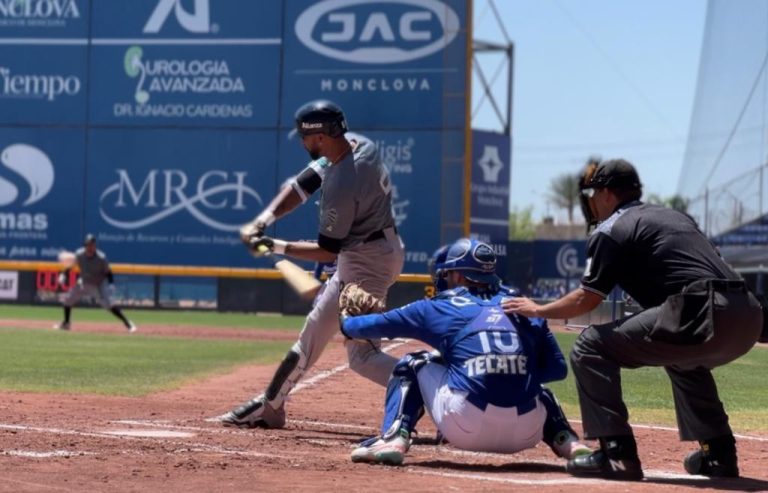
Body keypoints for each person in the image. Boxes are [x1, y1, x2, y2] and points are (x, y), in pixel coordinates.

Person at [503, 159, 763, 480]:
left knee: (589, 347)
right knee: (683, 358)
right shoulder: (673, 216)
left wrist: (538, 309)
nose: (592, 200)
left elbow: (588, 297)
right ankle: (720, 454)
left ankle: (617, 455)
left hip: (699, 310)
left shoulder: (611, 229)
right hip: (748, 313)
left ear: (608, 193)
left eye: (595, 192)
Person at [220, 99, 404, 428]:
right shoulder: (359, 145)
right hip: (371, 252)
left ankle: (432, 388)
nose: (303, 143)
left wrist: (275, 245)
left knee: (362, 357)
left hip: (367, 263)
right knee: (315, 329)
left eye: (305, 138)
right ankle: (271, 406)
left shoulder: (342, 182)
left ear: (318, 136)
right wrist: (262, 221)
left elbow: (327, 250)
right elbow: (302, 184)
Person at [341, 238, 590, 465]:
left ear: (458, 276)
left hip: (466, 426)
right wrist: (508, 369)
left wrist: (345, 319)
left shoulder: (439, 306)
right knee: (538, 388)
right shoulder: (524, 305)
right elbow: (557, 369)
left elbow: (360, 328)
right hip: (527, 432)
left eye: (448, 273)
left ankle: (394, 438)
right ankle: (569, 442)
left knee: (412, 363)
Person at [54, 234, 136, 333]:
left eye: (92, 244)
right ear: (85, 245)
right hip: (84, 282)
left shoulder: (101, 257)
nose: (90, 247)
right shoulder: (79, 254)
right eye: (88, 244)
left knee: (108, 305)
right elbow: (71, 266)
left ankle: (128, 323)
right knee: (68, 299)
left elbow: (108, 272)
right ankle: (66, 324)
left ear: (95, 246)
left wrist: (111, 284)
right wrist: (63, 274)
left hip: (99, 284)